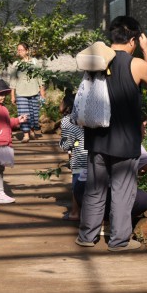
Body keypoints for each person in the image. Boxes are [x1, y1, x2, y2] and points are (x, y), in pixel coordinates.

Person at [77, 16, 147, 252]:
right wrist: (146, 49)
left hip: (97, 137)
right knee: (123, 192)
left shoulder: (96, 61)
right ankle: (118, 240)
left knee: (95, 189)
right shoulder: (135, 64)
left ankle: (87, 236)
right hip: (124, 141)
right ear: (133, 40)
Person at [58, 92, 88, 221]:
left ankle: (75, 213)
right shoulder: (89, 117)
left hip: (80, 158)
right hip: (95, 156)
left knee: (77, 186)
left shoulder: (67, 120)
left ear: (68, 106)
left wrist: (63, 144)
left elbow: (67, 144)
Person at [10, 42, 45, 141]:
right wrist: (12, 95)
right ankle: (26, 135)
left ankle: (32, 132)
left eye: (22, 50)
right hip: (21, 92)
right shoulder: (16, 64)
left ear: (27, 51)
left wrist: (42, 92)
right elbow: (13, 80)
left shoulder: (34, 62)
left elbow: (40, 78)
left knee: (34, 113)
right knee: (23, 113)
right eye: (18, 50)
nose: (20, 52)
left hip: (34, 91)